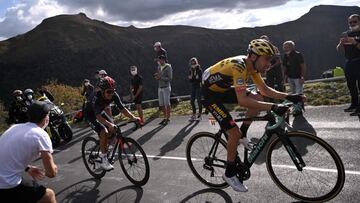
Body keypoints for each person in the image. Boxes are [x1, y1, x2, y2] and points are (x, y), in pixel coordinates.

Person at [202, 39, 305, 192]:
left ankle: (243, 133)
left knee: (258, 97)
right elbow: (243, 101)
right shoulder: (239, 66)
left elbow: (264, 90)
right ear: (253, 57)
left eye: (271, 60)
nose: (269, 63)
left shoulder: (253, 68)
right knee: (233, 133)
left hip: (222, 89)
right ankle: (229, 174)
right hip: (210, 95)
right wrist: (274, 106)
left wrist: (289, 97)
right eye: (267, 59)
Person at [0, 101, 58, 203]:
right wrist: (54, 169)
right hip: (6, 184)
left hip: (4, 180)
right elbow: (51, 173)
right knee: (48, 195)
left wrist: (28, 168)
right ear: (46, 118)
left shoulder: (14, 127)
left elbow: (7, 155)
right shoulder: (41, 135)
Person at [84, 76, 140, 171]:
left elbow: (122, 109)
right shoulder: (96, 97)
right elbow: (98, 117)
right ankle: (103, 159)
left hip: (100, 112)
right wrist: (109, 125)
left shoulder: (114, 95)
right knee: (104, 131)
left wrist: (133, 118)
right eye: (108, 92)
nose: (111, 93)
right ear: (102, 91)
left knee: (114, 131)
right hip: (90, 115)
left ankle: (106, 149)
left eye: (113, 91)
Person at [336, 14, 360, 116]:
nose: (352, 24)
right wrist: (341, 43)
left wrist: (355, 42)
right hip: (349, 62)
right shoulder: (345, 34)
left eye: (355, 21)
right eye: (350, 22)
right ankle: (354, 104)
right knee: (351, 85)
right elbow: (338, 49)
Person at [154, 55, 173, 125]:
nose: (158, 61)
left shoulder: (168, 67)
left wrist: (160, 77)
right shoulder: (159, 67)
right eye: (158, 60)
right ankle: (165, 117)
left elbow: (170, 78)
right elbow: (159, 75)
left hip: (166, 87)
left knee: (167, 103)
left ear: (163, 60)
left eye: (159, 60)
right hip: (160, 87)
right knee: (161, 104)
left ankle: (168, 118)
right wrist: (157, 76)